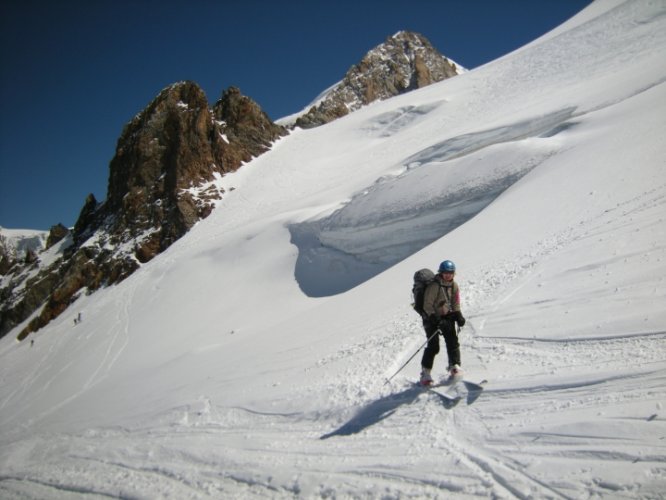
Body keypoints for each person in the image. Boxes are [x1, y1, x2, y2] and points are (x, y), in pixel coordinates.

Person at [420, 260, 466, 385]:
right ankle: (425, 373)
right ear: (441, 273)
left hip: (446, 317)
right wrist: (435, 319)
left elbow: (455, 302)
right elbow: (427, 305)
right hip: (431, 318)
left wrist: (458, 315)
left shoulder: (454, 285)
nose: (448, 275)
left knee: (453, 342)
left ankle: (454, 366)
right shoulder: (434, 286)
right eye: (445, 273)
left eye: (450, 273)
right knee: (434, 346)